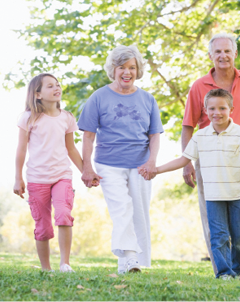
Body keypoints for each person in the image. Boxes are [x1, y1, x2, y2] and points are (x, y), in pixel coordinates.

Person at [140, 89, 240, 279]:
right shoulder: (200, 136)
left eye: (222, 108)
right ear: (205, 110)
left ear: (231, 109)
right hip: (213, 196)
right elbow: (183, 160)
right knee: (218, 237)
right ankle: (225, 273)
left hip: (237, 194)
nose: (216, 112)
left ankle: (239, 271)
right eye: (211, 108)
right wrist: (156, 169)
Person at [182, 32, 240, 280]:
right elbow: (188, 126)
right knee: (214, 221)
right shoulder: (199, 86)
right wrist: (187, 163)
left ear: (235, 54)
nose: (223, 55)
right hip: (210, 162)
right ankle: (223, 271)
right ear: (210, 55)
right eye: (217, 51)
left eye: (227, 51)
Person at [78, 45, 164, 274]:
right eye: (122, 67)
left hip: (141, 164)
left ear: (138, 70)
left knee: (139, 211)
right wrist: (86, 167)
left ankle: (126, 262)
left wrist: (152, 161)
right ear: (113, 70)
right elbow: (88, 135)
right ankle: (132, 258)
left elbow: (154, 135)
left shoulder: (148, 99)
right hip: (108, 163)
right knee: (121, 209)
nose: (127, 72)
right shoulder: (99, 97)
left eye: (132, 67)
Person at [13, 73, 84, 272]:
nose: (57, 88)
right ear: (37, 94)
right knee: (43, 226)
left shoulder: (67, 117)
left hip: (62, 176)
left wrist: (86, 172)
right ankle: (46, 269)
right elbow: (21, 150)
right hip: (37, 178)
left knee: (63, 214)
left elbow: (71, 149)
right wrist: (18, 178)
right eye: (50, 86)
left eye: (58, 85)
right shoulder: (28, 118)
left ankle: (65, 264)